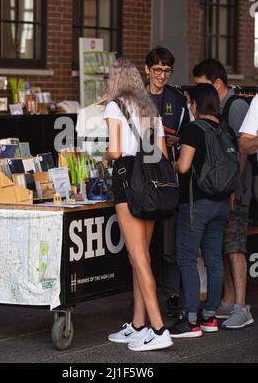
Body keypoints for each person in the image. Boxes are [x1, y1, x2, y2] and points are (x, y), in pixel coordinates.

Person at [102, 57, 173, 352]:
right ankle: (139, 324)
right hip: (153, 183)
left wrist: (104, 157)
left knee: (138, 257)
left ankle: (158, 329)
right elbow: (162, 154)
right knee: (139, 257)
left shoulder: (113, 106)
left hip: (128, 181)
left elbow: (116, 150)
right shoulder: (149, 108)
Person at [193, 59, 254, 329]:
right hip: (224, 188)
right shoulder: (217, 108)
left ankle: (241, 306)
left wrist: (232, 187)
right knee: (222, 244)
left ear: (217, 83)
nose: (196, 92)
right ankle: (228, 300)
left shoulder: (236, 106)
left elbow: (242, 148)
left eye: (201, 86)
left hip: (236, 189)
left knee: (235, 244)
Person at [169, 84, 231, 338]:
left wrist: (171, 161)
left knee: (186, 258)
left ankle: (190, 319)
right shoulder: (226, 129)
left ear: (195, 103)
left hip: (196, 204)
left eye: (189, 103)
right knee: (214, 259)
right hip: (222, 203)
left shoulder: (193, 129)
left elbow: (183, 167)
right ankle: (209, 318)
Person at [145, 46, 190, 316]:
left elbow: (191, 137)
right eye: (158, 70)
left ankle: (173, 294)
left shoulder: (179, 100)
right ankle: (143, 296)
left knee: (170, 244)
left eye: (167, 70)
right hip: (141, 178)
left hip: (169, 178)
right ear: (147, 69)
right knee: (144, 243)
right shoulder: (134, 97)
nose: (162, 75)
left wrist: (177, 141)